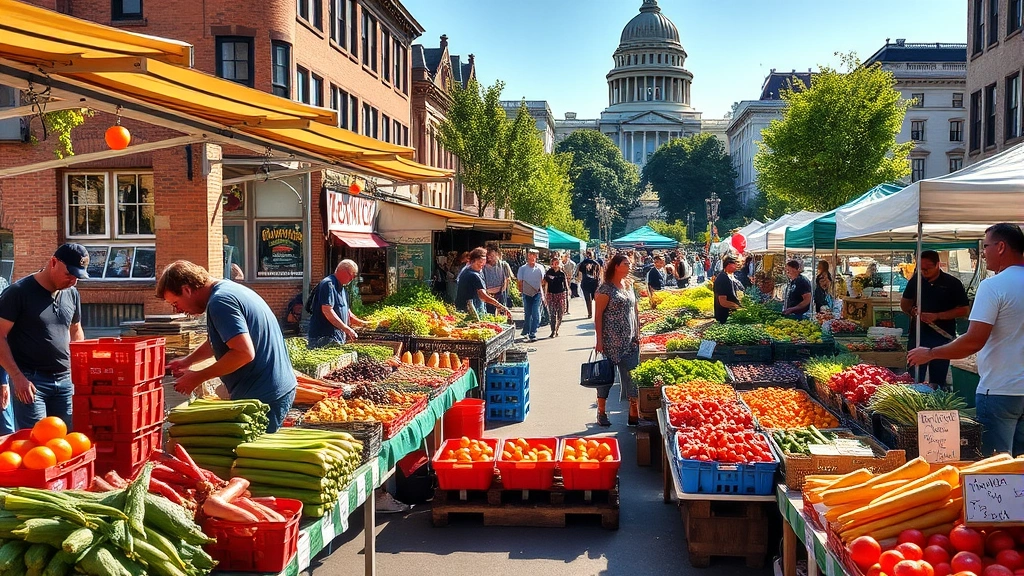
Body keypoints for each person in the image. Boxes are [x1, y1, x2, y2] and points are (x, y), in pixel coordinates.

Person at [909, 224, 1024, 455]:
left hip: (1000, 390)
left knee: (996, 469)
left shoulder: (993, 286)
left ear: (1001, 247)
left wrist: (930, 353)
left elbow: (973, 341)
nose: (983, 253)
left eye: (986, 246)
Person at [159, 260, 297, 433]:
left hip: (264, 395)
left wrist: (198, 377)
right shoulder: (227, 290)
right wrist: (188, 361)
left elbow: (243, 353)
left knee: (252, 456)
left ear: (187, 289)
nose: (177, 311)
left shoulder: (220, 302)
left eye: (175, 303)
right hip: (272, 388)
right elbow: (221, 340)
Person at [0, 244, 86, 431]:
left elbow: (75, 330)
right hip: (31, 382)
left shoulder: (71, 293)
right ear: (53, 262)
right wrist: (16, 377)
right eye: (69, 274)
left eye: (77, 277)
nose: (73, 281)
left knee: (66, 441)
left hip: (65, 381)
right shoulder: (18, 293)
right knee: (38, 443)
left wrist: (79, 372)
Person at [900, 250, 971, 387]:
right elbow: (905, 304)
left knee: (938, 380)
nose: (923, 272)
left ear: (938, 265)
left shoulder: (952, 283)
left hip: (942, 337)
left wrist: (937, 316)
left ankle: (937, 401)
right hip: (918, 336)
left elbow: (964, 310)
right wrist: (912, 311)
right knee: (913, 377)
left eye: (927, 268)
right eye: (921, 268)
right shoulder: (916, 280)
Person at [593, 253, 640, 427]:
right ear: (616, 266)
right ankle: (602, 412)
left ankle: (633, 413)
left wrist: (638, 332)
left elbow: (635, 310)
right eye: (626, 264)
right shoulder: (605, 289)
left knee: (632, 376)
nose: (630, 267)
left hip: (630, 340)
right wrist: (599, 340)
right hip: (610, 340)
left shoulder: (628, 285)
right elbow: (598, 316)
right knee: (606, 378)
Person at [307, 260, 366, 348]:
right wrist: (346, 329)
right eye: (352, 275)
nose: (352, 278)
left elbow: (348, 314)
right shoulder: (328, 284)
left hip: (337, 339)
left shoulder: (342, 288)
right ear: (343, 271)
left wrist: (366, 324)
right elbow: (327, 310)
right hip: (323, 339)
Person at [456, 248, 510, 317]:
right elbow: (483, 296)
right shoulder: (473, 275)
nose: (482, 265)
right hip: (471, 312)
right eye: (480, 263)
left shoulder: (473, 271)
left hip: (474, 309)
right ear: (473, 261)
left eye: (484, 263)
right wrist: (499, 305)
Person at [517, 249, 546, 341]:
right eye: (530, 255)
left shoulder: (540, 267)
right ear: (528, 256)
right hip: (526, 293)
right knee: (528, 313)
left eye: (534, 255)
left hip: (537, 293)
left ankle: (533, 332)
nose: (532, 257)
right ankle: (526, 331)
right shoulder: (522, 268)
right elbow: (519, 281)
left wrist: (543, 293)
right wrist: (521, 291)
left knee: (535, 313)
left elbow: (543, 281)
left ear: (536, 257)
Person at [541, 256, 569, 337]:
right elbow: (546, 284)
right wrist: (545, 296)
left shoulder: (562, 273)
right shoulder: (549, 273)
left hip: (561, 294)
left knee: (560, 313)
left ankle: (557, 329)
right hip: (551, 294)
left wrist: (568, 291)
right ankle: (553, 331)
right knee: (552, 313)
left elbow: (565, 284)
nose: (556, 264)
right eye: (554, 262)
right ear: (552, 264)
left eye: (557, 262)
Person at [713, 254, 743, 323]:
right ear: (729, 264)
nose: (738, 266)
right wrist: (739, 307)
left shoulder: (731, 276)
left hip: (732, 315)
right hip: (725, 317)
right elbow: (723, 302)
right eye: (736, 263)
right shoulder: (722, 279)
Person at [482, 247, 511, 314]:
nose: (490, 257)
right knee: (488, 314)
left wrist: (502, 290)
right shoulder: (483, 266)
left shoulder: (504, 265)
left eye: (492, 255)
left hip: (500, 294)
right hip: (487, 294)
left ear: (497, 254)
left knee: (501, 314)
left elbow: (507, 279)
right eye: (488, 256)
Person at [577, 250, 602, 319]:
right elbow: (579, 273)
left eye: (589, 255)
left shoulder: (596, 263)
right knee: (588, 299)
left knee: (597, 299)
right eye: (587, 255)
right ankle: (590, 313)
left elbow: (599, 271)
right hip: (586, 283)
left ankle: (597, 313)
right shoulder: (583, 264)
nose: (588, 256)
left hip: (594, 283)